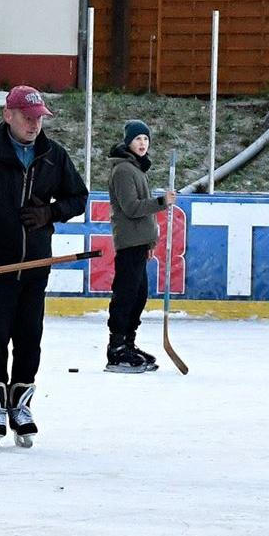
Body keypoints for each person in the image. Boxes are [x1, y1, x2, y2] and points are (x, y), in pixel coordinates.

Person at [0, 85, 88, 446]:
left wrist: (51, 212)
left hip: (34, 271)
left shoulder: (53, 157)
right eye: (27, 117)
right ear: (8, 115)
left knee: (29, 342)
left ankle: (21, 405)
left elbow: (78, 197)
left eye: (39, 118)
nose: (34, 124)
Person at [105, 119, 172, 373]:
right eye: (137, 139)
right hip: (128, 241)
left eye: (145, 139)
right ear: (128, 143)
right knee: (126, 294)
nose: (142, 143)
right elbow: (132, 208)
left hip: (139, 241)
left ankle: (129, 343)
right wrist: (161, 201)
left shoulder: (136, 169)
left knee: (138, 294)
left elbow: (145, 213)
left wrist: (150, 240)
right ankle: (117, 347)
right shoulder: (123, 170)